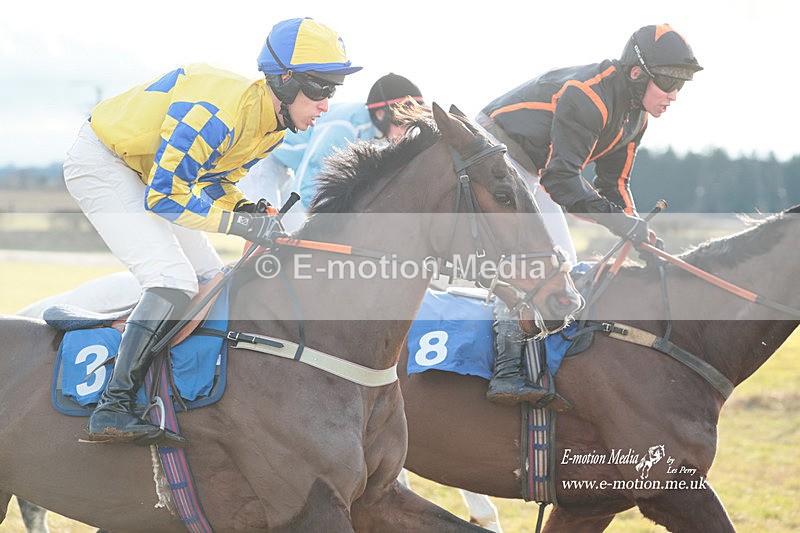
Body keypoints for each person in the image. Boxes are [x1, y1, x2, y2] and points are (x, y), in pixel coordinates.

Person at [63, 17, 361, 444]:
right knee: (172, 280)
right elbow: (165, 198)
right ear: (285, 80)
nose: (326, 104)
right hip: (104, 162)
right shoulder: (217, 114)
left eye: (333, 91)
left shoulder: (271, 130)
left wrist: (246, 208)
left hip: (148, 173)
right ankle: (113, 405)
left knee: (212, 278)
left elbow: (213, 183)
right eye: (320, 89)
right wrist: (239, 224)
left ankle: (175, 387)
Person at [476, 23, 702, 404]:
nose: (674, 95)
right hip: (496, 153)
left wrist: (638, 233)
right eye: (668, 82)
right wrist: (622, 224)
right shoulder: (588, 96)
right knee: (535, 264)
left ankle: (544, 362)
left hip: (534, 168)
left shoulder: (636, 117)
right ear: (636, 73)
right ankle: (507, 371)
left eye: (681, 84)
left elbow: (614, 184)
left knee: (563, 263)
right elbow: (562, 180)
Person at [238, 72, 425, 225]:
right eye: (402, 122)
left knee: (289, 240)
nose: (406, 132)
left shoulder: (379, 136)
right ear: (381, 114)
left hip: (286, 170)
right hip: (265, 162)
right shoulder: (344, 126)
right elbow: (310, 177)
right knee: (268, 229)